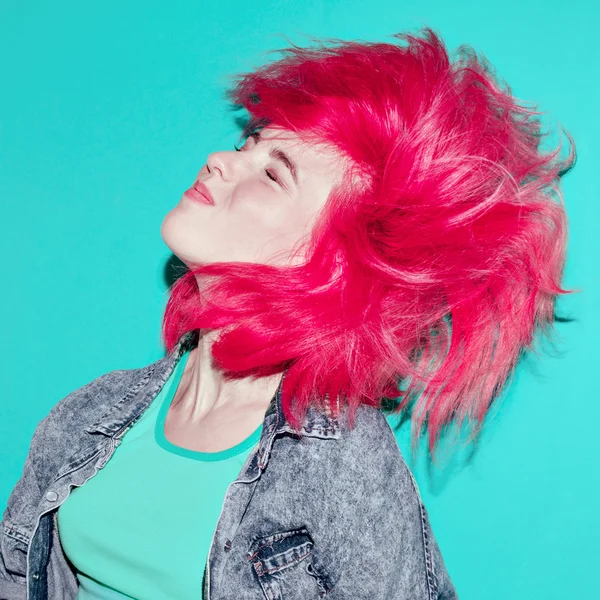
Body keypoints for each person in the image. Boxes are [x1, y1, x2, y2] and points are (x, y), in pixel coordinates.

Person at [0, 26, 574, 600]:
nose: (219, 160)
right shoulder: (90, 416)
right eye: (248, 144)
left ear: (330, 257)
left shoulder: (341, 467)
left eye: (274, 173)